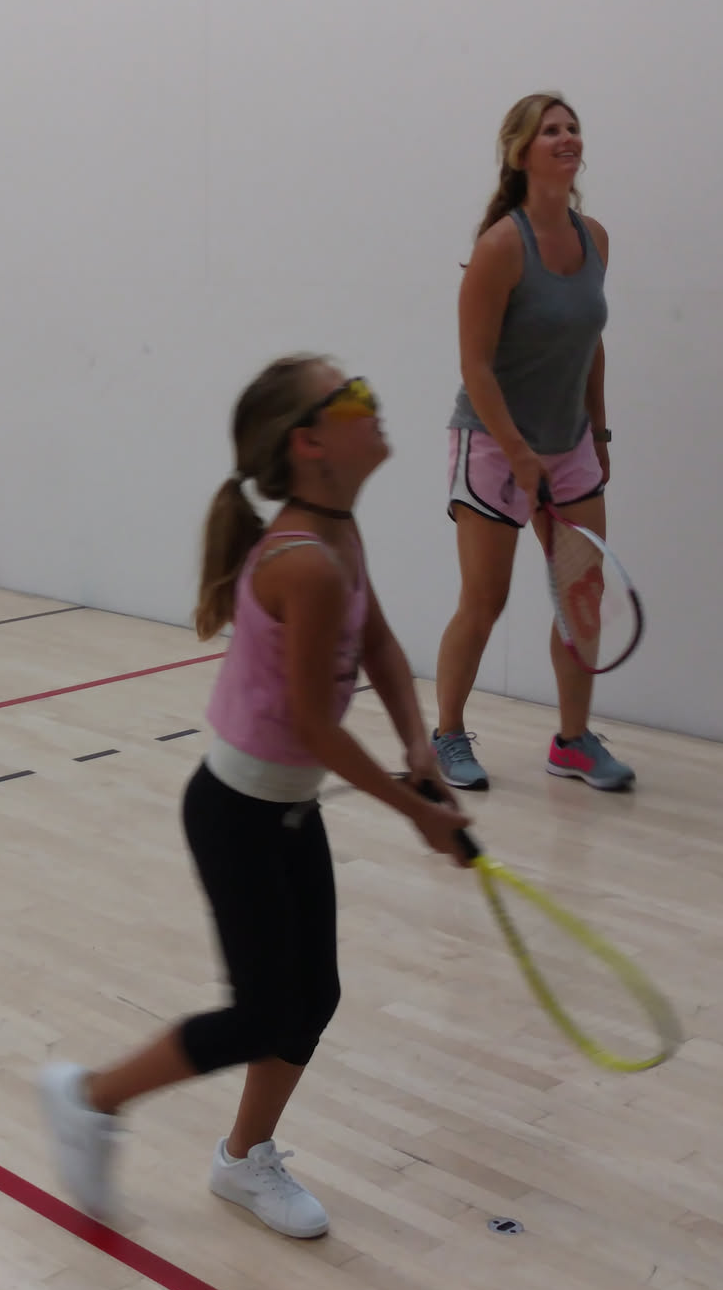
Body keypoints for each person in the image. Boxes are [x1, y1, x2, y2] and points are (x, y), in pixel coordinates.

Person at [37, 355, 472, 1238]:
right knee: (260, 1013)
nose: (375, 403)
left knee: (313, 997)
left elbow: (380, 644)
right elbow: (315, 725)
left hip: (286, 811)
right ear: (310, 443)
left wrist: (417, 744)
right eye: (355, 397)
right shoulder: (302, 563)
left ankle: (243, 1160)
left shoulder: (340, 534)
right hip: (236, 815)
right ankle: (89, 1098)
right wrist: (419, 814)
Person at [431, 92, 633, 792]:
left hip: (570, 446)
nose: (567, 137)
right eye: (552, 130)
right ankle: (447, 734)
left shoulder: (595, 238)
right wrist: (518, 453)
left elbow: (590, 342)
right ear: (521, 152)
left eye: (573, 127)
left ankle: (572, 742)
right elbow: (476, 367)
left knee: (582, 596)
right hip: (492, 446)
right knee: (484, 602)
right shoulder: (500, 247)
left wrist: (598, 432)